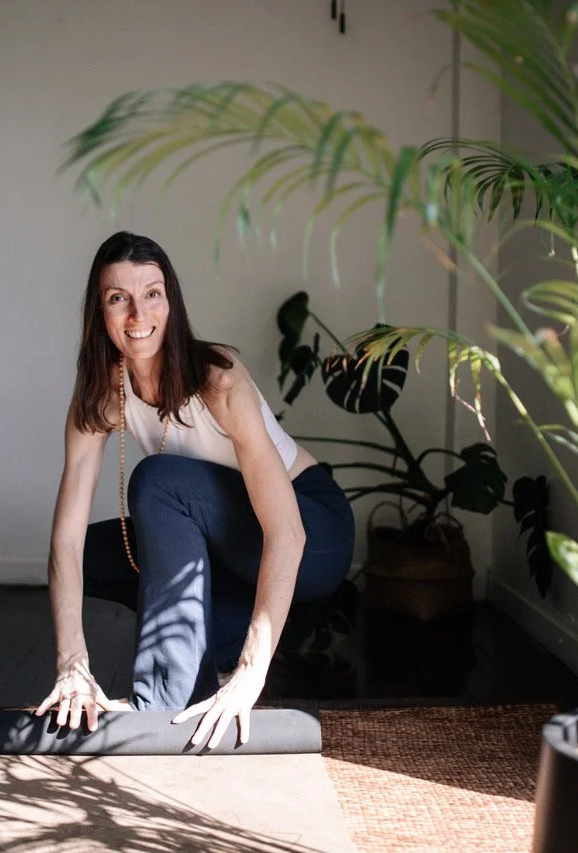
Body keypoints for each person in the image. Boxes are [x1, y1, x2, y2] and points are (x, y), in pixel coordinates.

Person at [35, 231, 354, 748]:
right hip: (232, 545)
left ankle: (166, 700)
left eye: (152, 294)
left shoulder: (218, 380)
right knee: (95, 554)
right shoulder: (100, 396)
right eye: (119, 299)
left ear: (171, 301)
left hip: (313, 530)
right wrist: (72, 664)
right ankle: (201, 662)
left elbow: (287, 531)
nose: (138, 315)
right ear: (100, 312)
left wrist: (252, 674)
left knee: (158, 482)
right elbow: (65, 542)